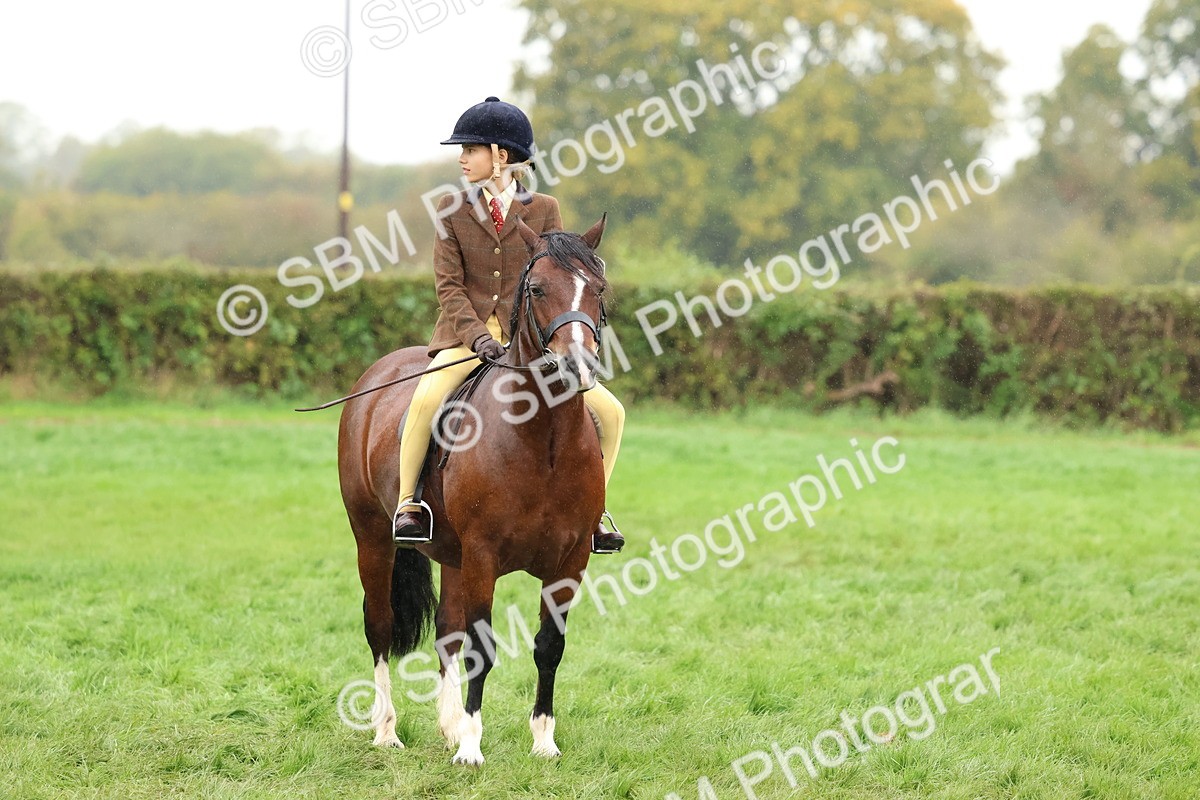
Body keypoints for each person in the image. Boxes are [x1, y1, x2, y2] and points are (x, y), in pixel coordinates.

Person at [392, 96, 626, 554]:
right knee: (425, 400)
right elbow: (449, 287)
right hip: (467, 336)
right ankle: (409, 504)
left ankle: (594, 512)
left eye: (470, 149)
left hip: (530, 344)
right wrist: (478, 337)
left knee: (613, 413)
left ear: (501, 156)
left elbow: (553, 276)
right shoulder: (450, 207)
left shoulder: (544, 209)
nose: (461, 158)